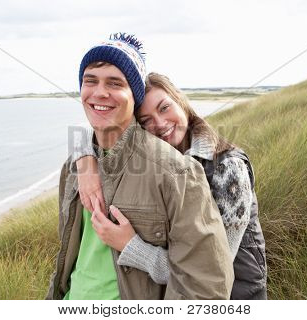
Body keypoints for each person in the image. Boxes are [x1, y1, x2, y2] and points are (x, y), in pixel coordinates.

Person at [46, 33, 234, 300]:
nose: (100, 92)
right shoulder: (74, 167)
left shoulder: (178, 172)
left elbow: (205, 285)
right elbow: (69, 257)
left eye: (115, 83)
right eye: (90, 81)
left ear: (134, 96)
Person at [74, 72, 268, 299]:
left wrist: (130, 245)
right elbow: (97, 129)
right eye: (145, 120)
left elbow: (209, 269)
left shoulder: (228, 169)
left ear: (180, 101)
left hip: (236, 296)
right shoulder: (162, 167)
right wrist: (84, 159)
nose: (159, 123)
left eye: (164, 108)